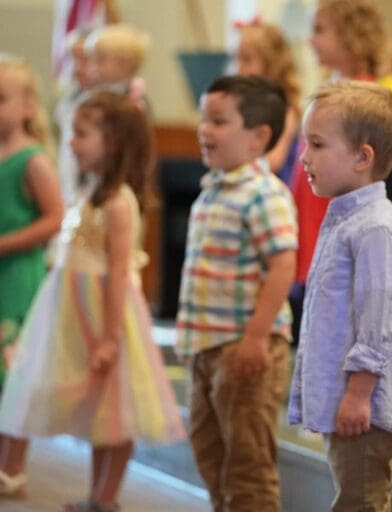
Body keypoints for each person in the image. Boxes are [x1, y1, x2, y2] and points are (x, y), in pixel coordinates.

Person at [0, 91, 185, 511]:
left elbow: (119, 271)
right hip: (70, 310)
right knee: (101, 412)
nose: (71, 142)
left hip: (105, 315)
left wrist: (109, 337)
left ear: (115, 142)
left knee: (116, 411)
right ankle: (96, 495)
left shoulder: (119, 202)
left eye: (82, 134)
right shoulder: (89, 191)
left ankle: (106, 497)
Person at [287, 81, 392, 512]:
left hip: (365, 406)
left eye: (318, 144)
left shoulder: (375, 227)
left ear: (363, 157)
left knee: (360, 501)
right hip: (349, 401)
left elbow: (379, 318)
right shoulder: (345, 218)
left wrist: (359, 393)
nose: (304, 157)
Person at [175, 75, 297, 512]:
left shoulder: (264, 194)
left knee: (248, 463)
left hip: (245, 350)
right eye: (203, 119)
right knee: (210, 455)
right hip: (206, 348)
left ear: (258, 136)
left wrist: (256, 337)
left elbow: (283, 265)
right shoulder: (212, 190)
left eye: (218, 121)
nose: (205, 129)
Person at [290, 0, 391, 341]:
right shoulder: (330, 89)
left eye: (320, 30)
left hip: (335, 218)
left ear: (351, 34)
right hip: (313, 213)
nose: (311, 40)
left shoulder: (363, 96)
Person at [0, 54, 64, 496]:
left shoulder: (32, 161)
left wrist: (5, 244)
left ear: (27, 107)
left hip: (16, 277)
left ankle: (14, 465)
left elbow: (55, 217)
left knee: (14, 371)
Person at [235, 18, 302, 184]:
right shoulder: (244, 109)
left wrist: (235, 163)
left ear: (271, 64)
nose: (239, 68)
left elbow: (273, 162)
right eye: (238, 59)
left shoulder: (287, 112)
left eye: (247, 60)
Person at [55, 29, 96, 207]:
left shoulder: (116, 105)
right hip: (69, 193)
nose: (77, 68)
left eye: (85, 59)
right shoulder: (69, 101)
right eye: (74, 59)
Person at [84, 23, 151, 113]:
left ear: (125, 63)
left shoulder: (135, 102)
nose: (93, 67)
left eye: (100, 60)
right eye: (92, 60)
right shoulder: (96, 93)